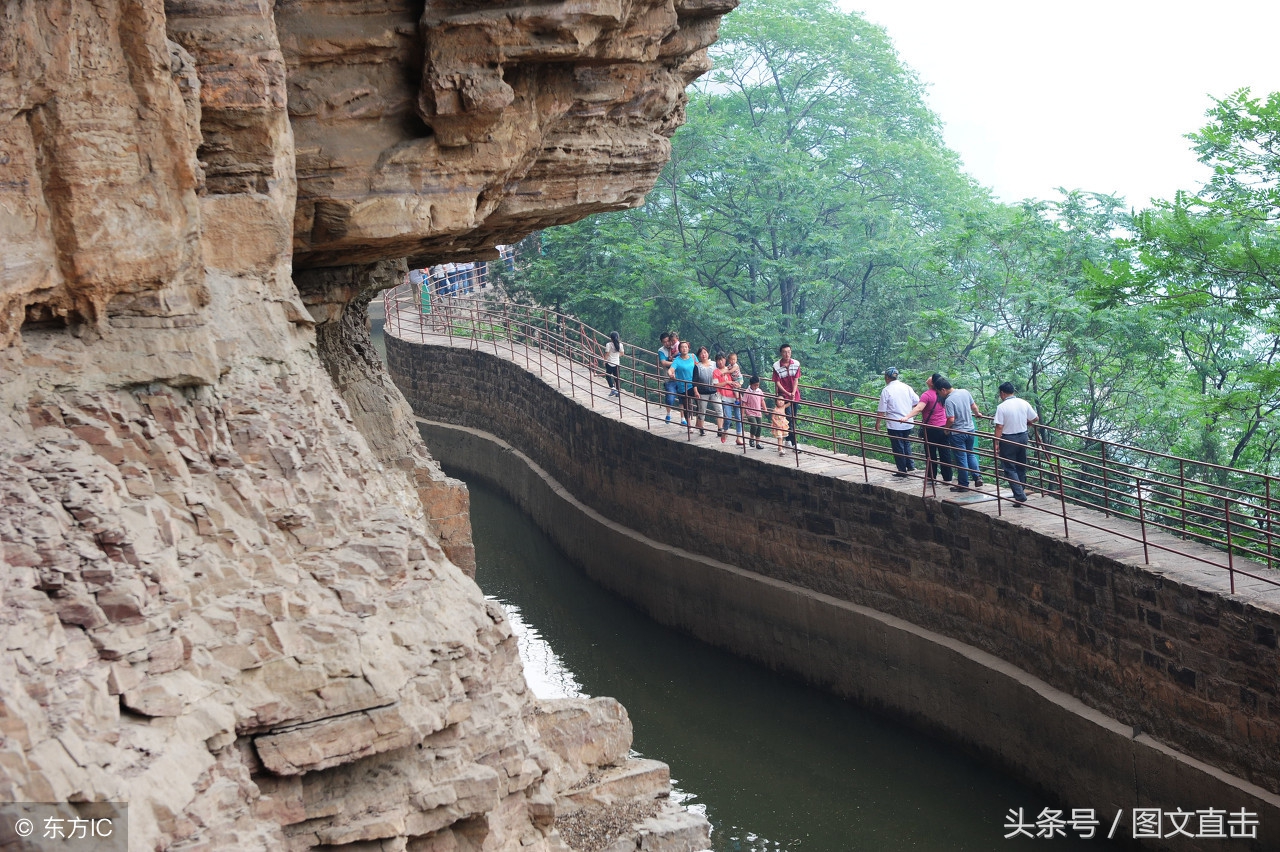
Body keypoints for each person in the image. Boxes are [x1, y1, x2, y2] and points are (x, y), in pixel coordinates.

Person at [993, 381, 1039, 506]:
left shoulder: (1002, 407)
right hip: (1023, 437)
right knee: (1020, 465)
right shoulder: (1023, 403)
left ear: (1002, 393)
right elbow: (1035, 418)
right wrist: (1028, 423)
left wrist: (996, 442)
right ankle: (1021, 492)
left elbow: (999, 426)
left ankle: (1019, 495)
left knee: (1009, 467)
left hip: (1008, 439)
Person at [903, 374, 953, 484]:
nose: (928, 378)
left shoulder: (927, 395)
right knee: (945, 453)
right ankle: (948, 478)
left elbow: (919, 408)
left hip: (931, 428)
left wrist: (907, 417)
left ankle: (931, 477)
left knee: (931, 454)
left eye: (930, 378)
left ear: (932, 383)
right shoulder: (943, 394)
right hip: (944, 427)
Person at [939, 378, 983, 491]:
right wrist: (978, 414)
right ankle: (977, 476)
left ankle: (963, 485)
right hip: (970, 430)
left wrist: (946, 429)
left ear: (943, 390)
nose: (940, 395)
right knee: (970, 454)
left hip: (958, 433)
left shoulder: (949, 400)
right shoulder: (964, 392)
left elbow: (951, 419)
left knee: (961, 458)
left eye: (939, 392)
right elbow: (974, 407)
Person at [876, 368, 919, 477]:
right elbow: (917, 402)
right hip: (908, 421)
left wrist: (878, 423)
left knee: (898, 446)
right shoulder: (907, 387)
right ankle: (910, 465)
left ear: (887, 377)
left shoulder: (886, 390)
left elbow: (881, 410)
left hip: (894, 423)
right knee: (906, 443)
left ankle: (902, 470)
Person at [772, 344, 801, 447]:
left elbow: (796, 380)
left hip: (794, 395)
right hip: (783, 397)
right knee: (789, 418)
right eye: (784, 352)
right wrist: (787, 393)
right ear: (781, 353)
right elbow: (777, 382)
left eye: (789, 351)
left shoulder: (796, 364)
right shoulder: (776, 366)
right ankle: (794, 443)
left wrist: (793, 392)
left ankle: (788, 439)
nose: (787, 354)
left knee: (793, 417)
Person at [667, 340, 696, 427]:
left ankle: (699, 424)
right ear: (679, 349)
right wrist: (670, 374)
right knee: (686, 406)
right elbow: (670, 370)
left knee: (699, 404)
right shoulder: (677, 361)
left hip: (694, 385)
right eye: (682, 347)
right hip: (683, 386)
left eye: (686, 347)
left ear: (688, 348)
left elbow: (698, 366)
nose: (684, 349)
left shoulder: (693, 357)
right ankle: (689, 425)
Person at [692, 347, 720, 436]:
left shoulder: (715, 364)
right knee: (702, 410)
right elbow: (694, 381)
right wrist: (696, 392)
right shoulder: (697, 366)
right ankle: (701, 428)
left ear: (708, 353)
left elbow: (722, 372)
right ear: (699, 356)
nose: (703, 355)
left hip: (714, 391)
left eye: (705, 352)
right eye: (701, 353)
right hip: (702, 392)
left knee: (719, 410)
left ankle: (720, 429)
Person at [714, 353, 738, 443]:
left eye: (722, 359)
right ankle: (725, 431)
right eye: (718, 360)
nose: (720, 362)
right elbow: (716, 384)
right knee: (728, 417)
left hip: (733, 395)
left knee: (738, 418)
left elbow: (736, 378)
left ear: (725, 360)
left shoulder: (729, 368)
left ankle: (739, 436)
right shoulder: (715, 372)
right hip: (723, 396)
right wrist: (727, 382)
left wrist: (737, 384)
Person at [725, 352, 745, 445]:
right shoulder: (729, 366)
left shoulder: (735, 366)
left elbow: (729, 371)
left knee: (738, 416)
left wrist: (724, 372)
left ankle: (737, 400)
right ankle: (726, 432)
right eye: (731, 359)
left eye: (734, 359)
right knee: (729, 417)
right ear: (729, 360)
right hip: (729, 391)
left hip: (738, 380)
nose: (733, 361)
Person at [658, 333, 678, 422]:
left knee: (683, 400)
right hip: (668, 378)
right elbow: (664, 363)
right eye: (664, 342)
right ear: (662, 343)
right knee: (670, 398)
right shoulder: (661, 351)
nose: (667, 343)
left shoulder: (677, 347)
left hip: (680, 377)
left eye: (668, 341)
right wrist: (678, 363)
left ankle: (683, 418)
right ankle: (668, 414)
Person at [743, 376, 765, 449]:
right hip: (750, 412)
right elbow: (744, 403)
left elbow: (762, 400)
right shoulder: (747, 392)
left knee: (759, 427)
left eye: (757, 385)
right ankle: (751, 438)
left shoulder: (759, 391)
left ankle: (757, 443)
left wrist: (765, 409)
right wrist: (743, 413)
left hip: (758, 412)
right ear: (750, 384)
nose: (756, 387)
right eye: (755, 385)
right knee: (754, 425)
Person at [603, 332, 623, 397]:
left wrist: (604, 361)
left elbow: (607, 354)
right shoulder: (620, 345)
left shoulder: (608, 344)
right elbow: (622, 353)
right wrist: (616, 356)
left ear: (611, 338)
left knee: (608, 376)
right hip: (617, 363)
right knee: (617, 378)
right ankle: (618, 392)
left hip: (609, 362)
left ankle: (613, 389)